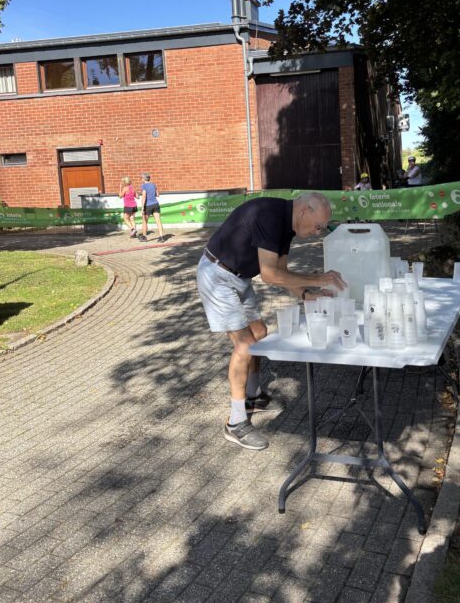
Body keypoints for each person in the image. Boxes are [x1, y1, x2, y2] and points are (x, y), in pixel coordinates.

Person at [196, 192, 346, 451]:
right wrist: (318, 278)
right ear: (304, 211)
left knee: (259, 333)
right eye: (318, 226)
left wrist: (307, 295)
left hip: (239, 277)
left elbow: (282, 273)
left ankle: (253, 396)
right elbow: (269, 275)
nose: (318, 232)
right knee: (245, 346)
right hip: (217, 275)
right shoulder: (270, 216)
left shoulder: (287, 226)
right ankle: (235, 423)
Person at [137, 173, 165, 243]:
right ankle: (161, 237)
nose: (141, 179)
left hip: (148, 205)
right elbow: (157, 195)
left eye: (141, 178)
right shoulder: (154, 185)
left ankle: (144, 237)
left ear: (144, 179)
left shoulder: (144, 186)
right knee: (158, 221)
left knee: (144, 221)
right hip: (156, 204)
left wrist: (142, 208)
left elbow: (144, 196)